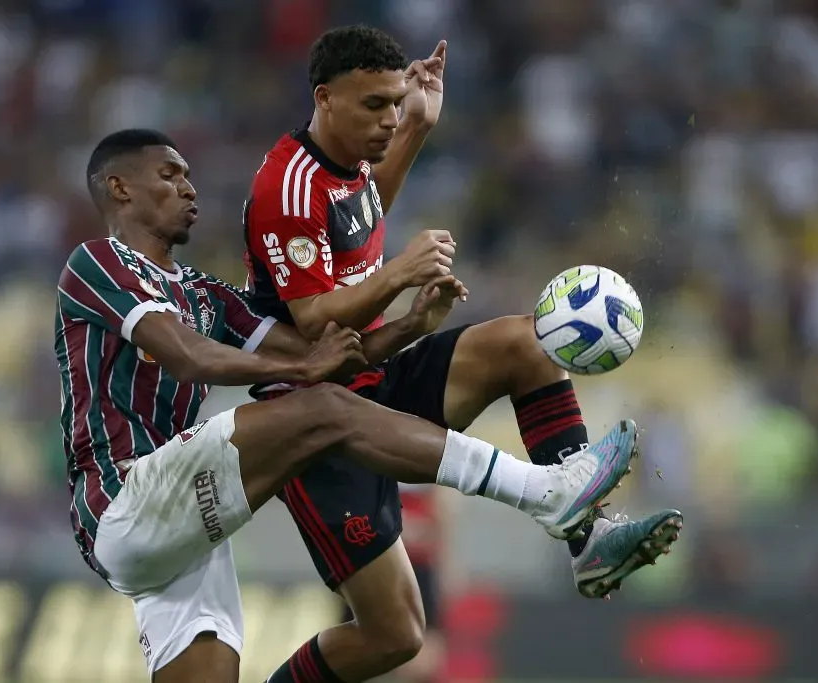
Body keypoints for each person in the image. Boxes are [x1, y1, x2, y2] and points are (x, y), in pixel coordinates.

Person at [56, 128, 644, 683]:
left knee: (326, 399)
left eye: (188, 176)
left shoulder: (204, 294)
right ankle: (547, 492)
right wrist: (302, 369)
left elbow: (327, 354)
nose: (188, 188)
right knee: (324, 407)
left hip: (181, 526)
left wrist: (410, 325)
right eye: (169, 174)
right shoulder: (96, 263)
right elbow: (186, 354)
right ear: (119, 187)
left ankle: (560, 500)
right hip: (124, 499)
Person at [243, 26, 684, 683]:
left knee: (524, 344)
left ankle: (588, 539)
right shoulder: (288, 187)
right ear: (325, 98)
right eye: (376, 106)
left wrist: (419, 127)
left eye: (396, 102)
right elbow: (310, 321)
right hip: (314, 424)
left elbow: (362, 217)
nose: (388, 119)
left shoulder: (351, 160)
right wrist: (399, 276)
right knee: (396, 637)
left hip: (371, 378)